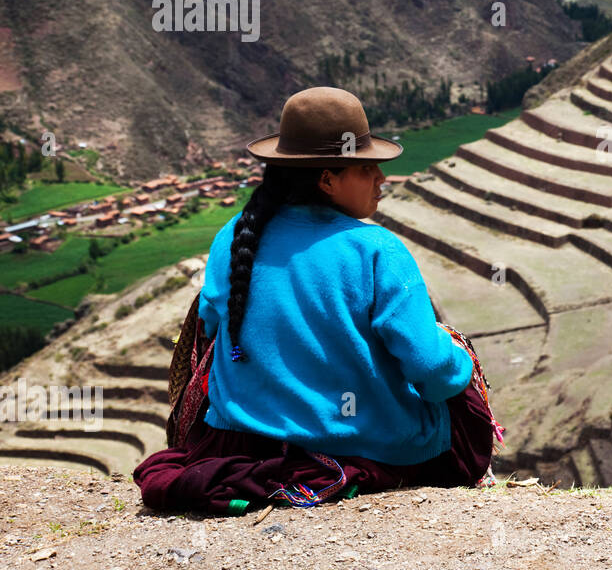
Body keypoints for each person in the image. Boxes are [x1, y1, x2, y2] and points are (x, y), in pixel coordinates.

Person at [134, 86, 499, 515]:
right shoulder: (377, 249)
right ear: (327, 179)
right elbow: (434, 374)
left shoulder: (232, 236)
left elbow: (211, 333)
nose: (382, 178)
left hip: (239, 441)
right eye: (366, 168)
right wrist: (458, 356)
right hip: (360, 443)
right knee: (459, 384)